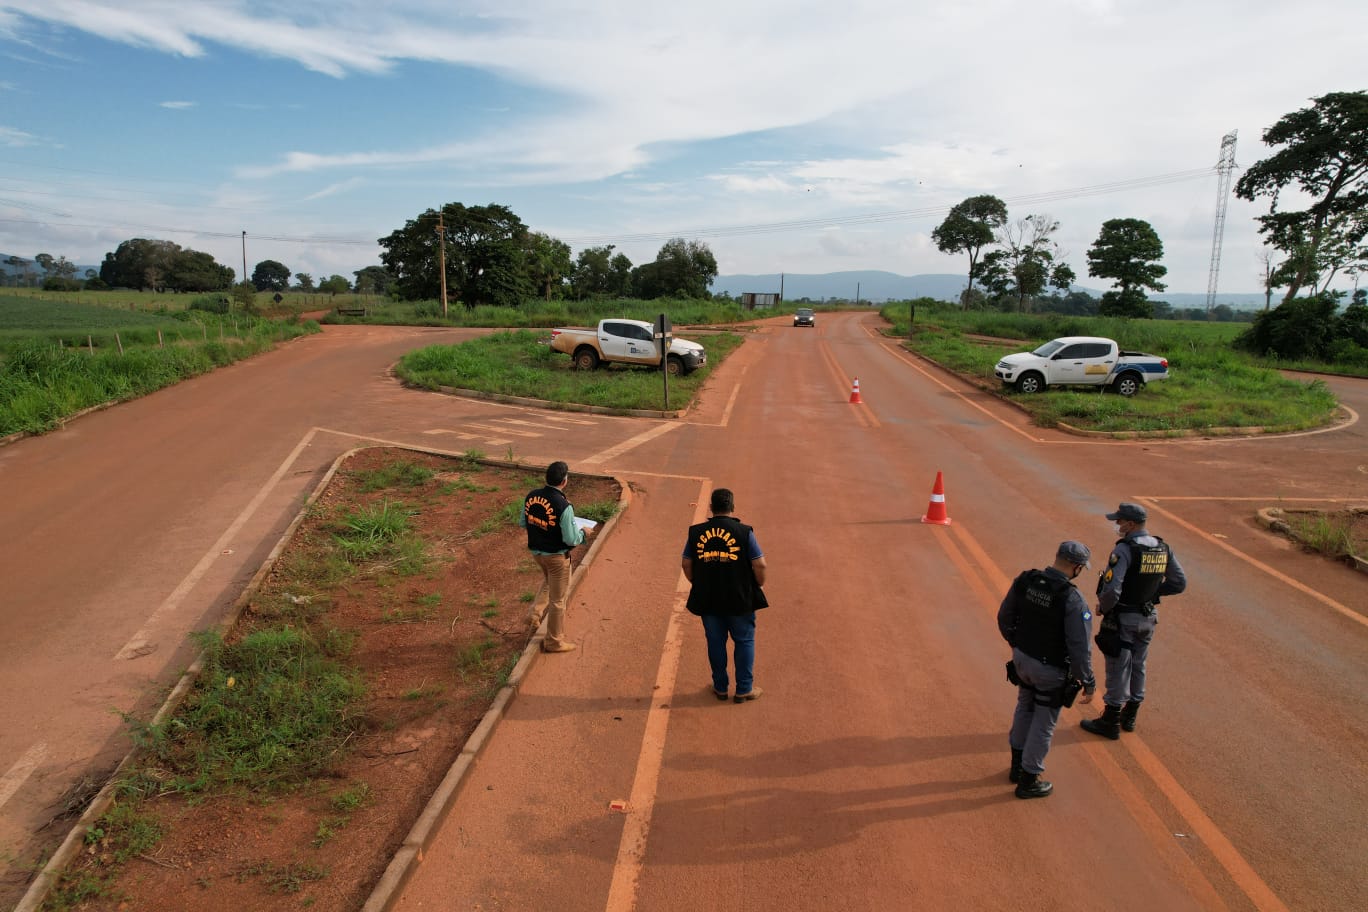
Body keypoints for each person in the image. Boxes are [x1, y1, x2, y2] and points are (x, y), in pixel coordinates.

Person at [998, 541, 1097, 799]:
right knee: (1044, 722)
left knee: (1024, 706)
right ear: (1076, 567)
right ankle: (1029, 779)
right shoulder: (1072, 599)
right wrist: (1087, 680)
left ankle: (1016, 767)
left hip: (1022, 660)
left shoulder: (1026, 580)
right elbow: (1079, 646)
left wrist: (1017, 644)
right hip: (1050, 669)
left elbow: (1004, 616)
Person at [1081, 502, 1187, 739]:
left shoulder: (1125, 550)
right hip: (1148, 618)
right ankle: (1130, 715)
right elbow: (1179, 582)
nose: (1117, 525)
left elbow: (1112, 590)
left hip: (1124, 618)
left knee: (1119, 664)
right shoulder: (1162, 547)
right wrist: (1153, 595)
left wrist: (1103, 608)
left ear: (1130, 524)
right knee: (1139, 664)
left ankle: (1110, 720)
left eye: (1119, 521)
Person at [681, 489, 768, 703]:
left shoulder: (696, 532)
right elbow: (760, 564)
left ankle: (720, 688)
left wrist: (695, 582)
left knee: (715, 642)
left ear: (711, 507)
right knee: (744, 640)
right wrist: (759, 584)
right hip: (740, 598)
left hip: (708, 598)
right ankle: (744, 689)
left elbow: (686, 563)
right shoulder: (744, 532)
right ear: (733, 508)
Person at [521, 460, 587, 653]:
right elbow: (570, 538)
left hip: (537, 553)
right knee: (558, 600)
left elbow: (524, 522)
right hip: (557, 557)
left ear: (546, 478)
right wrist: (584, 533)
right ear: (564, 481)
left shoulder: (531, 496)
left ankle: (534, 614)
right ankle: (553, 641)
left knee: (550, 581)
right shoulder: (564, 505)